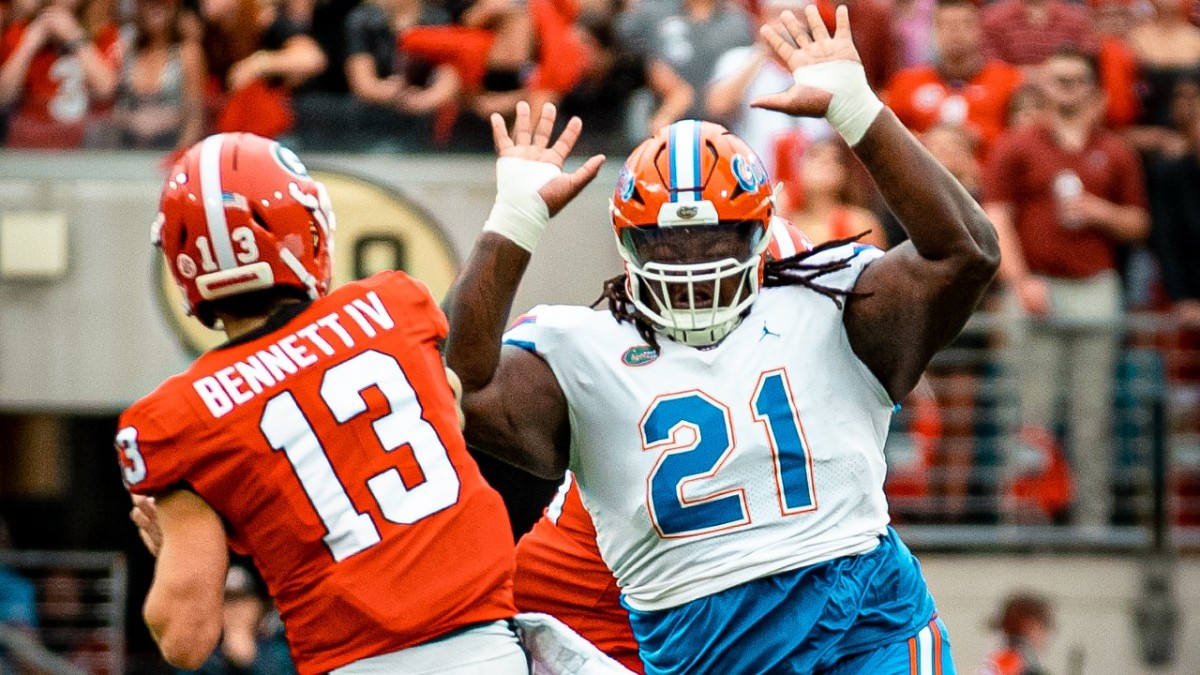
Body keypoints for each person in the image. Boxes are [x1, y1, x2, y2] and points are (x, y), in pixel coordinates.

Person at [445, 5, 999, 673]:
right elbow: (456, 384)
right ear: (627, 244)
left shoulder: (830, 302)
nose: (694, 264)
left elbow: (967, 252)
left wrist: (861, 113)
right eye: (670, 243)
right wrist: (511, 222)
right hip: (701, 645)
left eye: (715, 240)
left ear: (764, 240)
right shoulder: (583, 346)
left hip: (866, 623)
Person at [116, 132, 524, 674]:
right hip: (488, 652)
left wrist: (175, 546)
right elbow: (448, 421)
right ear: (306, 230)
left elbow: (184, 638)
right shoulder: (393, 305)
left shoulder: (176, 418)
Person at [983, 46, 1148, 528]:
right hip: (1035, 286)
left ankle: (1092, 526)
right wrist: (1019, 281)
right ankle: (1023, 524)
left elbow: (1139, 223)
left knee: (1092, 417)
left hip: (1094, 288)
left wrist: (1102, 213)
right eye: (1058, 79)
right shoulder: (1016, 145)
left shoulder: (1116, 150)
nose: (1067, 89)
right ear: (1043, 86)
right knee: (1027, 415)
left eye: (1077, 80)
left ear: (1094, 89)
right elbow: (997, 219)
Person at [884, 0, 1022, 159]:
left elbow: (1021, 140)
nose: (955, 33)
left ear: (979, 29)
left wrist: (981, 137)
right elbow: (887, 139)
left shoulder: (1008, 80)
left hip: (985, 168)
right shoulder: (905, 82)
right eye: (946, 25)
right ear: (933, 31)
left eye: (965, 24)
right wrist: (923, 141)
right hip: (923, 169)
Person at [978, 591, 1054, 675]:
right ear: (1030, 625)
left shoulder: (998, 662)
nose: (1047, 634)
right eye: (1045, 625)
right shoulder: (1019, 665)